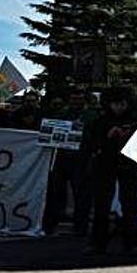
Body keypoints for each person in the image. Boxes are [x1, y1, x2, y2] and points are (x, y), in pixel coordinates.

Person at [87, 86, 137, 254]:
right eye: (115, 104)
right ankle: (98, 242)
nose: (119, 107)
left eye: (122, 104)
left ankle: (132, 243)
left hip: (128, 165)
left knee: (130, 205)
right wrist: (108, 137)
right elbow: (92, 144)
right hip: (106, 165)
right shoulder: (101, 121)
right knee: (101, 205)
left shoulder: (135, 120)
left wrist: (128, 134)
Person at [43, 88, 98, 236]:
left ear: (84, 101)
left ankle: (80, 227)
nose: (76, 102)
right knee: (55, 192)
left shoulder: (91, 116)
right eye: (74, 99)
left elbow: (95, 137)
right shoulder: (61, 114)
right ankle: (50, 224)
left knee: (81, 193)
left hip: (81, 158)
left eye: (79, 99)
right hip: (61, 157)